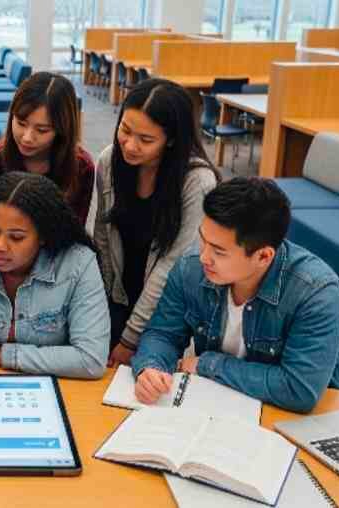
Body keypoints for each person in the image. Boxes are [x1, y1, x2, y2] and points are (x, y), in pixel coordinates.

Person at [130, 177, 339, 413]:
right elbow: (163, 334)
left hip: (298, 418)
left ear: (264, 256)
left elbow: (298, 389)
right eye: (203, 241)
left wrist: (209, 364)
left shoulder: (316, 291)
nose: (204, 256)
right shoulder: (191, 268)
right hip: (217, 407)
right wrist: (151, 368)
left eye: (218, 251)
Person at [0, 172, 110, 379]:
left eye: (16, 237)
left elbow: (91, 359)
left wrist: (3, 356)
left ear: (43, 236)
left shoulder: (78, 264)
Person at [89, 78, 219, 368]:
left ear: (171, 139)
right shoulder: (109, 161)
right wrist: (102, 311)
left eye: (146, 140)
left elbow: (171, 267)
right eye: (125, 129)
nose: (130, 145)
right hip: (119, 296)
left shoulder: (196, 182)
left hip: (166, 309)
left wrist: (129, 338)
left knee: (145, 375)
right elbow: (102, 237)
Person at [0, 71, 96, 226]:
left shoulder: (82, 167)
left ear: (62, 129)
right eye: (21, 123)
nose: (27, 138)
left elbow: (74, 232)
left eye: (42, 130)